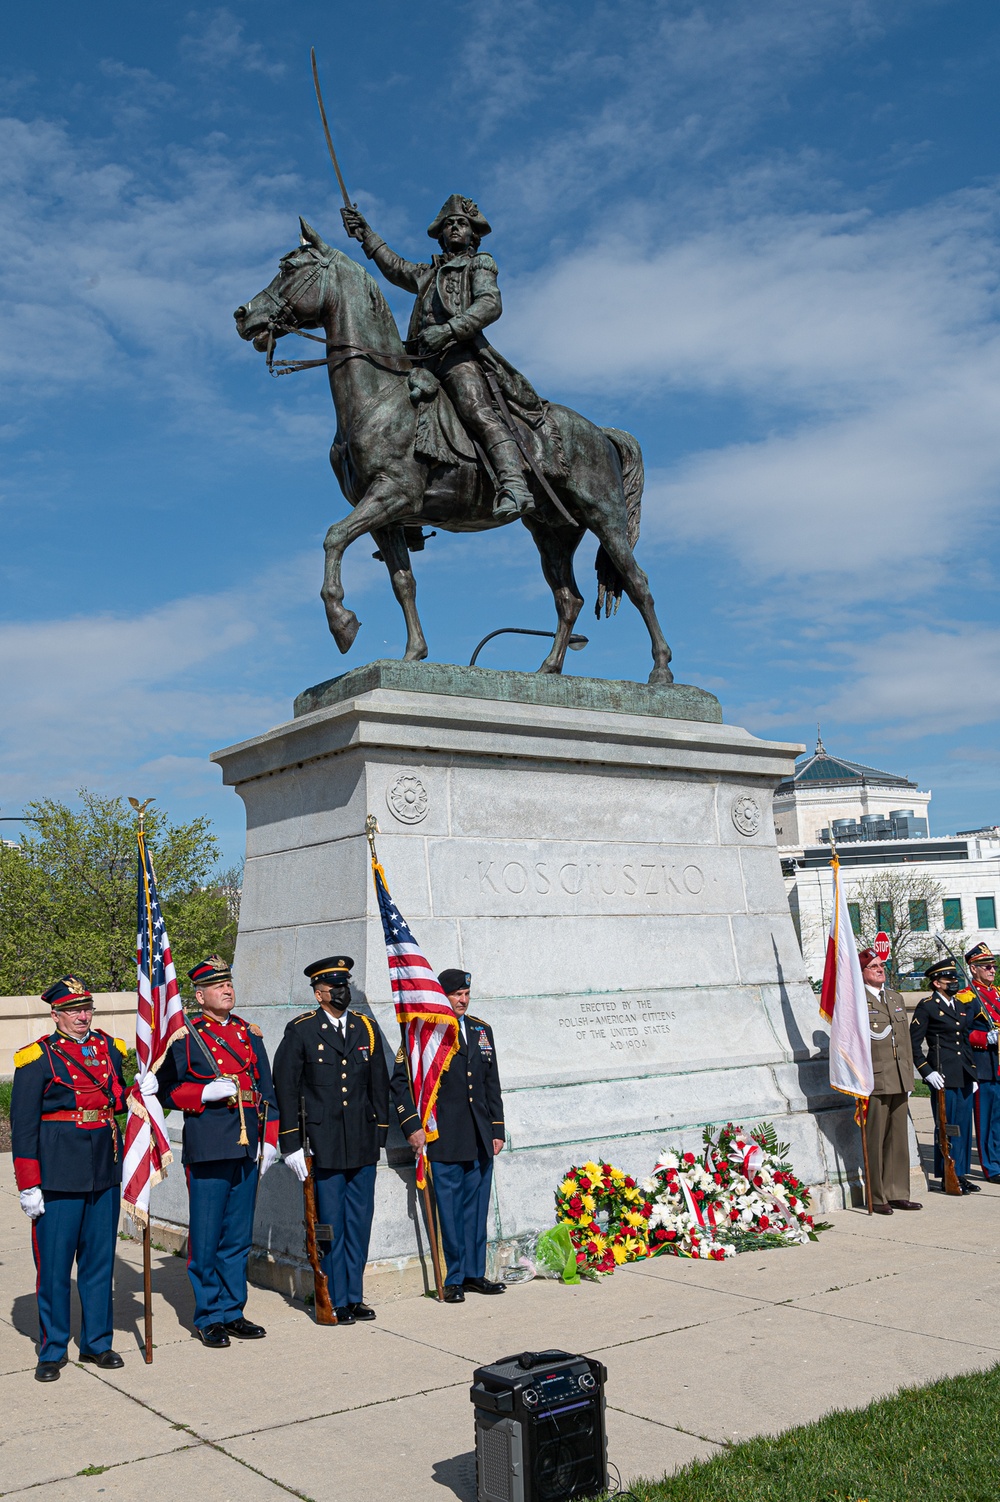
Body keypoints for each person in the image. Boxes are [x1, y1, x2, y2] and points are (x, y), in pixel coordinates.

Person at [342, 194, 540, 520]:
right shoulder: (428, 273)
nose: (455, 229)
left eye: (461, 224)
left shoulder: (480, 263)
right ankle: (406, 511)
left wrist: (450, 330)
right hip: (421, 363)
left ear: (472, 232)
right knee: (391, 425)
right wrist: (365, 233)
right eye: (449, 225)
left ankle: (513, 484)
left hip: (458, 356)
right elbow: (394, 265)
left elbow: (490, 304)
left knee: (476, 410)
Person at [151, 956, 279, 1346]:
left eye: (229, 983)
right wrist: (201, 1093)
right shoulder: (186, 1035)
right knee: (206, 1237)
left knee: (237, 1237)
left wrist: (270, 1139)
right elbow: (161, 1088)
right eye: (218, 985)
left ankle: (232, 1309)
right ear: (199, 994)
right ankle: (208, 1315)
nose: (227, 990)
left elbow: (267, 1092)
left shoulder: (247, 1033)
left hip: (246, 1145)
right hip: (209, 1145)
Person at [10, 976, 128, 1381]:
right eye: (74, 1010)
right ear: (56, 1014)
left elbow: (118, 1098)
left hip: (103, 1170)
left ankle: (98, 1343)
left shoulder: (109, 1049)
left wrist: (141, 1091)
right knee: (56, 1268)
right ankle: (53, 1348)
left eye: (87, 1008)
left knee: (98, 1264)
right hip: (58, 1174)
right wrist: (28, 1182)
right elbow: (23, 1126)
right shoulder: (37, 1057)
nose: (82, 1016)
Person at [272, 956, 390, 1325]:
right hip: (322, 1145)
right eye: (337, 988)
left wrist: (379, 1133)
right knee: (330, 1226)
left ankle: (353, 1296)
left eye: (346, 986)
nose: (344, 992)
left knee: (359, 1222)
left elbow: (379, 1085)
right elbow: (286, 1088)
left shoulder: (365, 1029)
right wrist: (291, 1143)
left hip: (361, 1141)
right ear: (320, 993)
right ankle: (333, 1296)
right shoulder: (302, 1031)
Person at [390, 968, 505, 1302]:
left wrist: (497, 1128)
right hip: (444, 1138)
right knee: (451, 1212)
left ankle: (474, 1273)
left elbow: (490, 1084)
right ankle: (453, 1277)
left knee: (476, 1209)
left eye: (466, 995)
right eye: (457, 995)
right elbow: (400, 1083)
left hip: (480, 1136)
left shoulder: (482, 1030)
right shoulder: (424, 1034)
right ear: (443, 996)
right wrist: (412, 1126)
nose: (463, 1001)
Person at [857, 948, 921, 1214]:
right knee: (876, 1139)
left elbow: (904, 1043)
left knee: (898, 1139)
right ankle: (877, 1195)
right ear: (862, 973)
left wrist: (909, 1078)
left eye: (881, 965)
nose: (880, 969)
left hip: (898, 1078)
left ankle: (897, 1192)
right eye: (873, 966)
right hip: (874, 1081)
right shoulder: (857, 1002)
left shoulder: (894, 998)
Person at [911, 957, 978, 1193]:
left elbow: (965, 1042)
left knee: (962, 1125)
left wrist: (974, 1074)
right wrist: (927, 1072)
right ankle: (946, 1174)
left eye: (954, 978)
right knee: (946, 1126)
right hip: (942, 1075)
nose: (953, 982)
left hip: (963, 1074)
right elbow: (914, 1044)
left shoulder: (958, 1006)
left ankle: (960, 1172)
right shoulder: (927, 1006)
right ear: (936, 983)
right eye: (948, 979)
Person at [958, 942, 1000, 1181]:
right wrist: (985, 1037)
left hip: (999, 1066)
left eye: (993, 966)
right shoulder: (967, 997)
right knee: (985, 1120)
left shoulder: (997, 994)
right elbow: (962, 1032)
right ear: (973, 969)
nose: (992, 970)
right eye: (986, 967)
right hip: (984, 1066)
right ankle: (992, 1167)